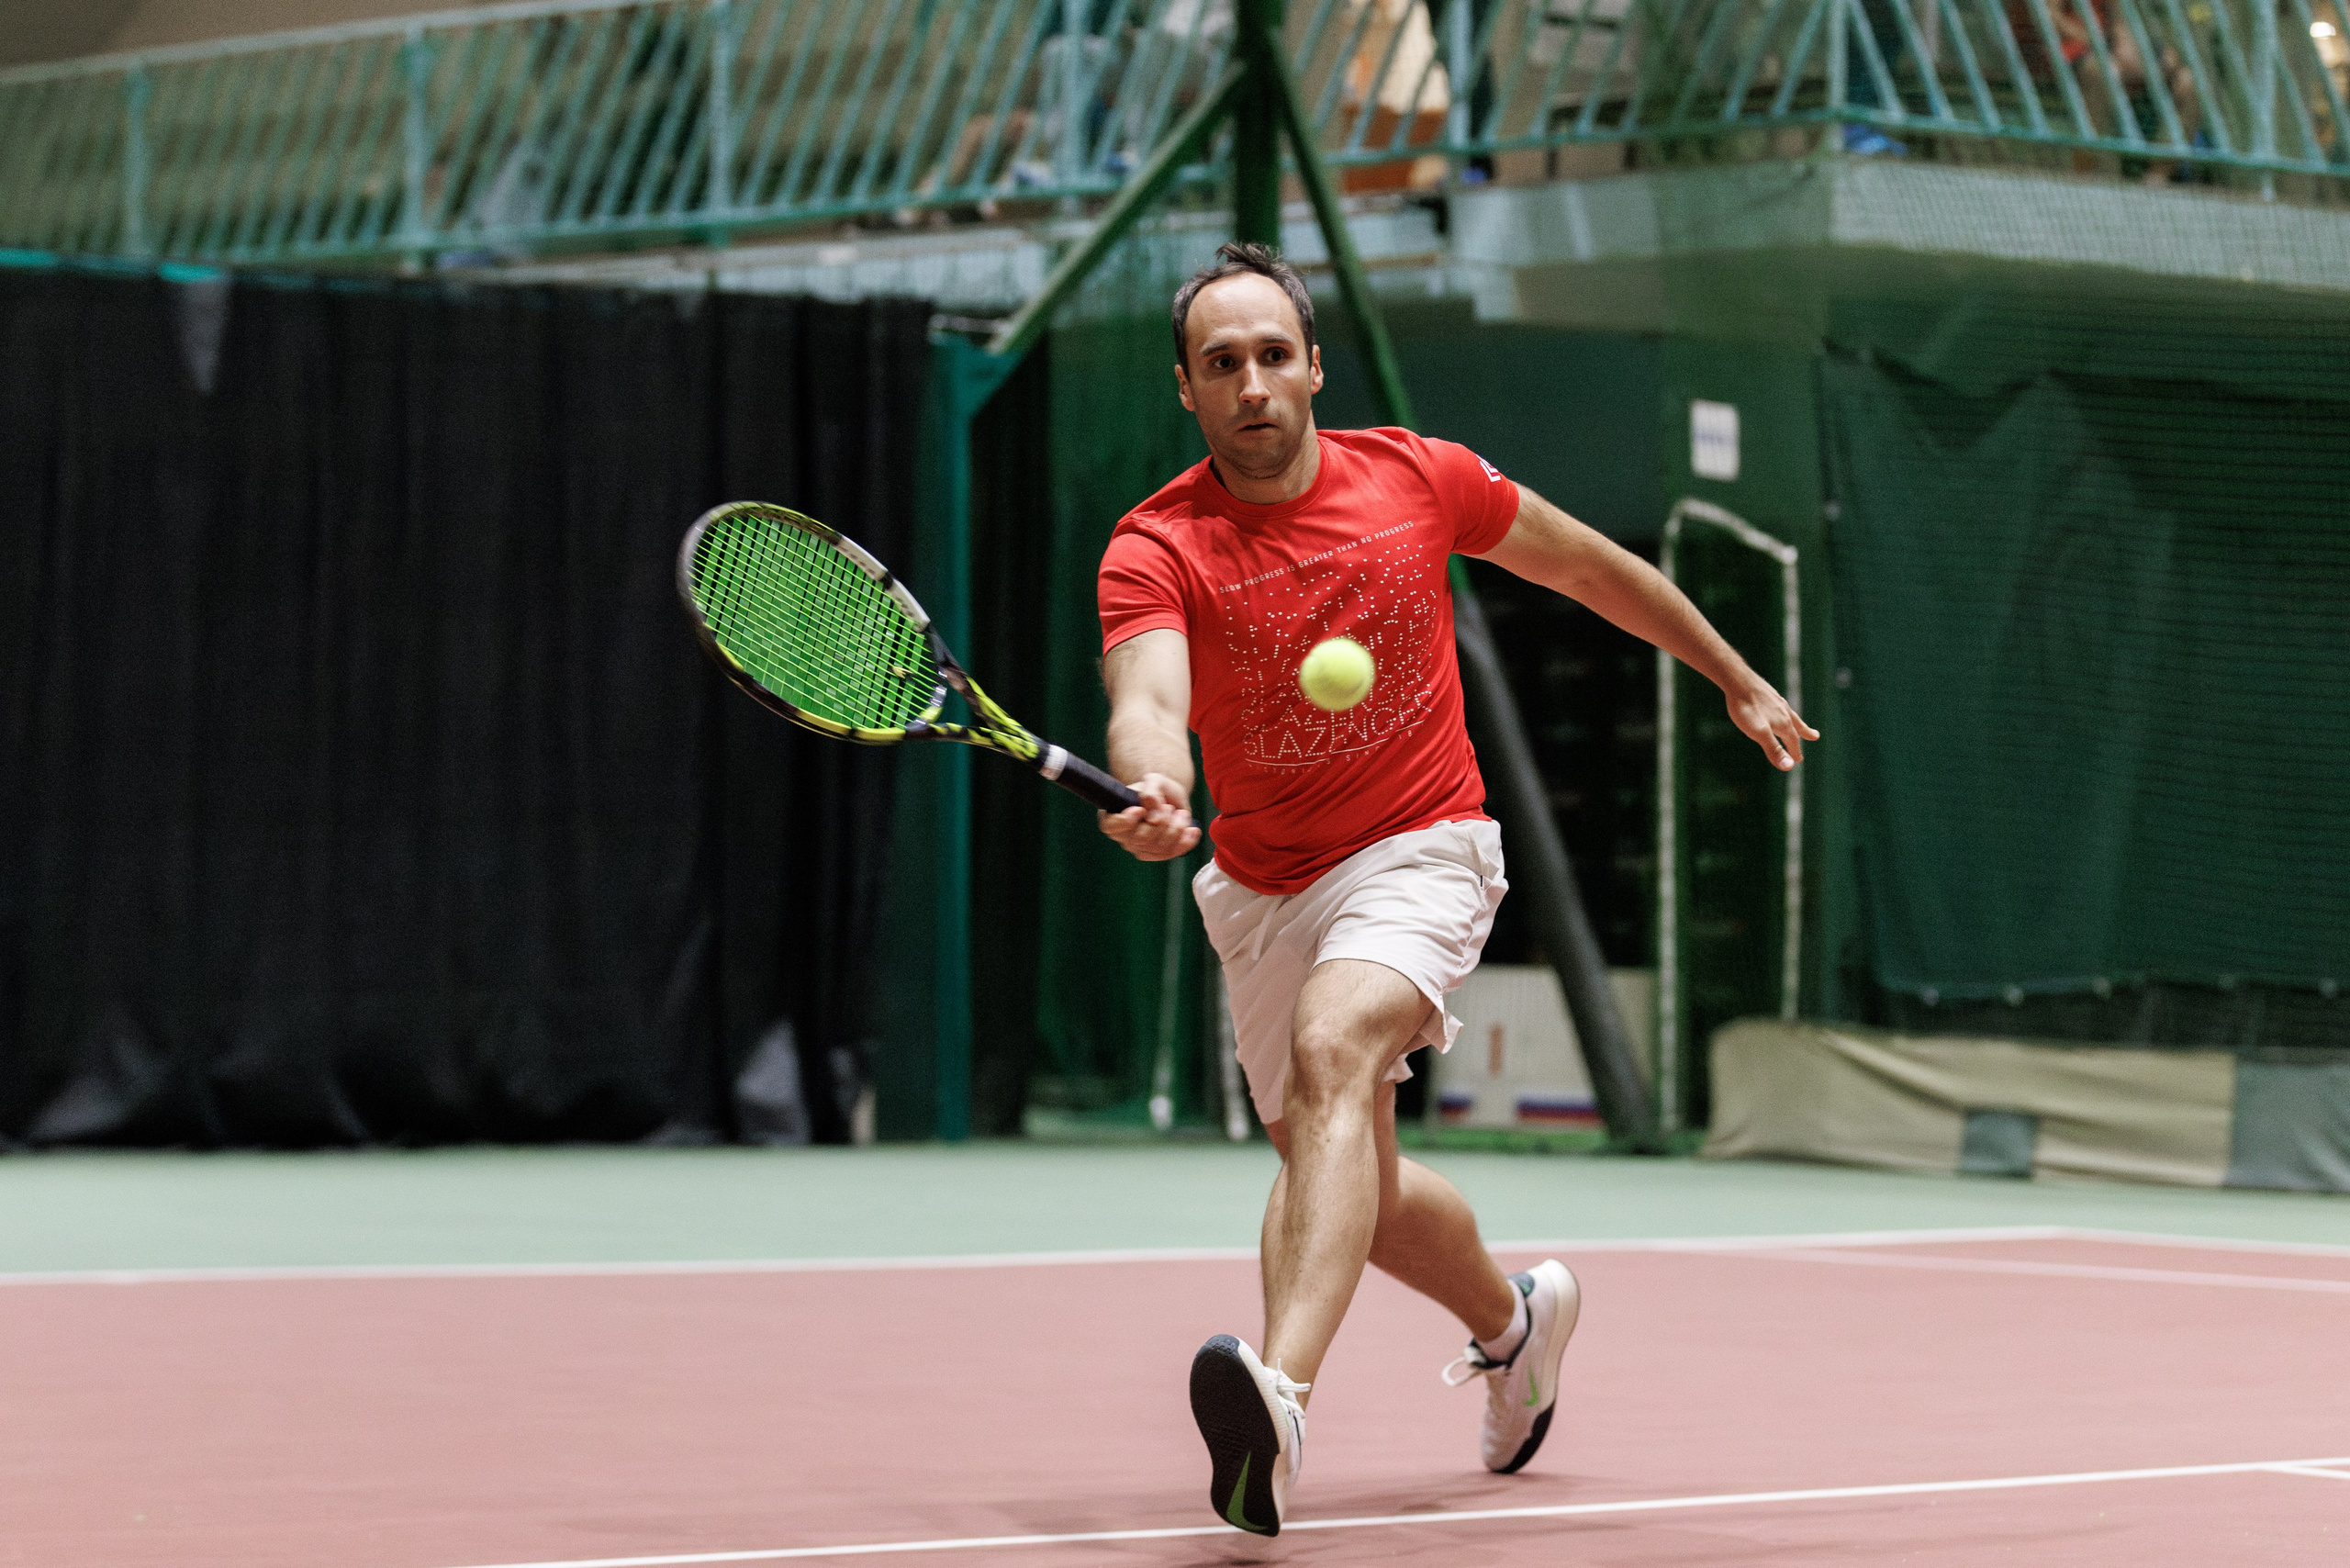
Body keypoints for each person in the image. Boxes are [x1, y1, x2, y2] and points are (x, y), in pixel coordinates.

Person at [1094, 241, 1814, 1537]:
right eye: (1222, 364)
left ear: (1313, 365)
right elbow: (1146, 701)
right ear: (1188, 393)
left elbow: (1589, 566)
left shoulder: (1416, 479)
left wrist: (1730, 670)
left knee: (1333, 1050)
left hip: (1420, 845)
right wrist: (1152, 784)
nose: (1252, 382)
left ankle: (1282, 1401)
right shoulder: (1157, 544)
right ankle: (1515, 1324)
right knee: (1349, 1183)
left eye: (1272, 354)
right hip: (1263, 887)